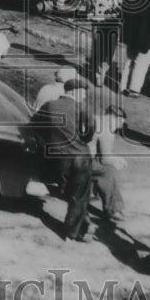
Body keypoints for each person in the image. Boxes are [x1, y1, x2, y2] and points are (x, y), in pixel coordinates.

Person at [27, 80, 95, 242]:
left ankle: (82, 226)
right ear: (75, 91)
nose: (85, 96)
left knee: (68, 190)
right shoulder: (81, 107)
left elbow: (35, 124)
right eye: (83, 92)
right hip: (80, 157)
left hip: (58, 158)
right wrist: (82, 140)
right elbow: (90, 129)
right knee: (80, 195)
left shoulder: (50, 105)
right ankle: (73, 233)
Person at [88, 104, 129, 224]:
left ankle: (93, 193)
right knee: (108, 171)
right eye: (119, 122)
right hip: (82, 162)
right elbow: (105, 159)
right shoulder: (106, 130)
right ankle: (113, 209)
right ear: (112, 117)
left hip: (69, 154)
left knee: (104, 167)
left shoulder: (94, 118)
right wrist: (118, 160)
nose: (120, 126)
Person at [89, 0, 122, 89]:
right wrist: (91, 15)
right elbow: (90, 10)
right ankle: (99, 76)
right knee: (98, 51)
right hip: (97, 26)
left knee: (109, 52)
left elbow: (120, 12)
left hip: (111, 27)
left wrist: (112, 15)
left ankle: (102, 71)